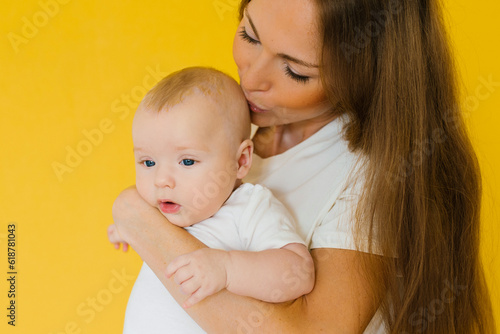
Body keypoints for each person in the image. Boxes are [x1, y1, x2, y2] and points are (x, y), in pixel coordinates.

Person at [110, 0, 496, 333]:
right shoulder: (218, 131)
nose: (252, 79)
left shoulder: (374, 176)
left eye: (295, 71)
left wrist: (138, 217)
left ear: (364, 75)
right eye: (250, 35)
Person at [107, 67, 315, 332]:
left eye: (187, 161)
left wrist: (228, 269)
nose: (162, 180)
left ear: (240, 161)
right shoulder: (169, 211)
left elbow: (299, 272)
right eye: (148, 162)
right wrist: (129, 230)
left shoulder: (249, 207)